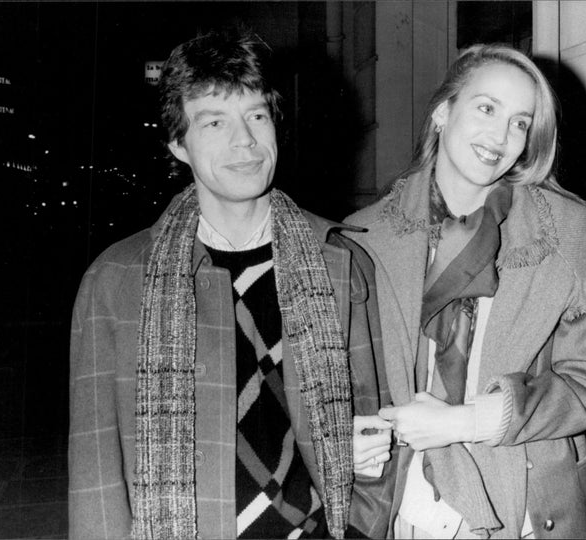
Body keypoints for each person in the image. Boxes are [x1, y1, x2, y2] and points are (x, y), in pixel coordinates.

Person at [68, 29, 395, 540]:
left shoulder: (341, 263)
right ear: (178, 143)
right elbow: (95, 471)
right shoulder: (116, 280)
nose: (244, 141)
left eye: (257, 115)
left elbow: (378, 419)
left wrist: (360, 528)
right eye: (215, 121)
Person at [345, 44, 586, 539]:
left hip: (527, 503)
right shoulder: (365, 236)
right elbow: (344, 379)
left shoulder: (563, 230)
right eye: (486, 108)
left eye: (520, 122)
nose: (502, 137)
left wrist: (469, 421)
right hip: (406, 503)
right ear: (443, 111)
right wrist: (345, 436)